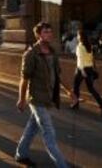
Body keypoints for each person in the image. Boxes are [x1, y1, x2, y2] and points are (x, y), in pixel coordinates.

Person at [15, 22, 68, 168]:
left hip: (48, 97)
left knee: (32, 127)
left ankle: (21, 154)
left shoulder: (52, 52)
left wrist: (69, 91)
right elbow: (24, 79)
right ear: (38, 35)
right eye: (45, 32)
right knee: (49, 132)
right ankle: (62, 165)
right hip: (36, 99)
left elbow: (57, 76)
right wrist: (21, 99)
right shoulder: (31, 54)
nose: (49, 34)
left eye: (50, 32)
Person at [70, 30, 102, 117]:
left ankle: (75, 104)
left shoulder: (80, 46)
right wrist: (93, 68)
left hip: (81, 69)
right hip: (89, 68)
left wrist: (82, 71)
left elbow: (80, 60)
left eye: (78, 35)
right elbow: (92, 58)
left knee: (76, 87)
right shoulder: (89, 46)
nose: (77, 37)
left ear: (80, 37)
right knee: (91, 89)